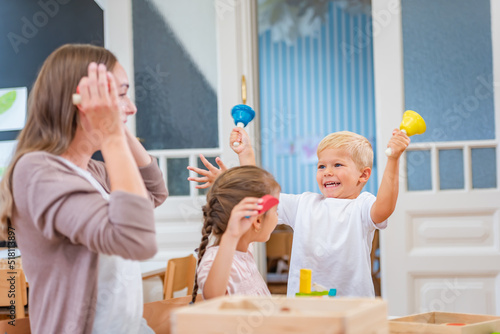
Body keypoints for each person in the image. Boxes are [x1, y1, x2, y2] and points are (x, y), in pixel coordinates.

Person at [0, 44, 168, 333]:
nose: (131, 107)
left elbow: (153, 191)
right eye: (122, 94)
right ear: (82, 103)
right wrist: (111, 132)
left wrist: (118, 127)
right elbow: (136, 239)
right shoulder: (38, 172)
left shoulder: (90, 170)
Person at [189, 127, 409, 297]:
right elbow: (262, 196)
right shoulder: (305, 204)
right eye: (321, 166)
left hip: (352, 311)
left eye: (337, 165)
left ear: (363, 175)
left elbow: (384, 208)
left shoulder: (362, 206)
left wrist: (393, 159)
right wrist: (244, 157)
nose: (327, 172)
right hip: (305, 310)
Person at [191, 165, 281, 303]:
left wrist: (228, 183)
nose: (278, 216)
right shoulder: (215, 259)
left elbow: (253, 187)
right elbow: (213, 297)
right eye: (276, 211)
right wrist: (231, 235)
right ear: (257, 220)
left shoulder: (243, 250)